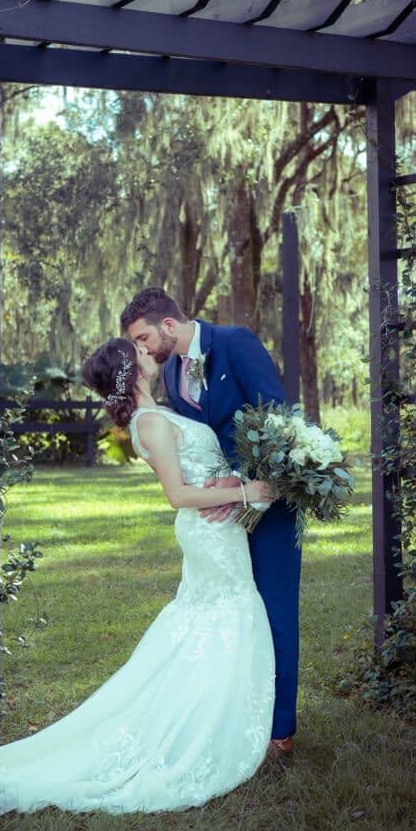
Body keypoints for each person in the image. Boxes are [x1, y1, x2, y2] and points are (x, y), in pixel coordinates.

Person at [0, 338, 275, 814]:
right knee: (219, 619)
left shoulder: (158, 414)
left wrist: (233, 485)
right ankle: (200, 730)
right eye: (138, 351)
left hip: (217, 531)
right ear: (129, 369)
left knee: (210, 623)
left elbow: (200, 476)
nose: (148, 353)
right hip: (208, 533)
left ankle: (209, 717)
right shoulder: (151, 423)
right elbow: (177, 496)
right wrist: (244, 492)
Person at [121, 287, 300, 757]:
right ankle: (236, 713)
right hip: (220, 518)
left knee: (275, 608)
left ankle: (279, 730)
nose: (140, 349)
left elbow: (276, 419)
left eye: (142, 337)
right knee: (238, 614)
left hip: (269, 502)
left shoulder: (236, 343)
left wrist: (242, 484)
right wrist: (219, 486)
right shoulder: (175, 369)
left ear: (168, 325)